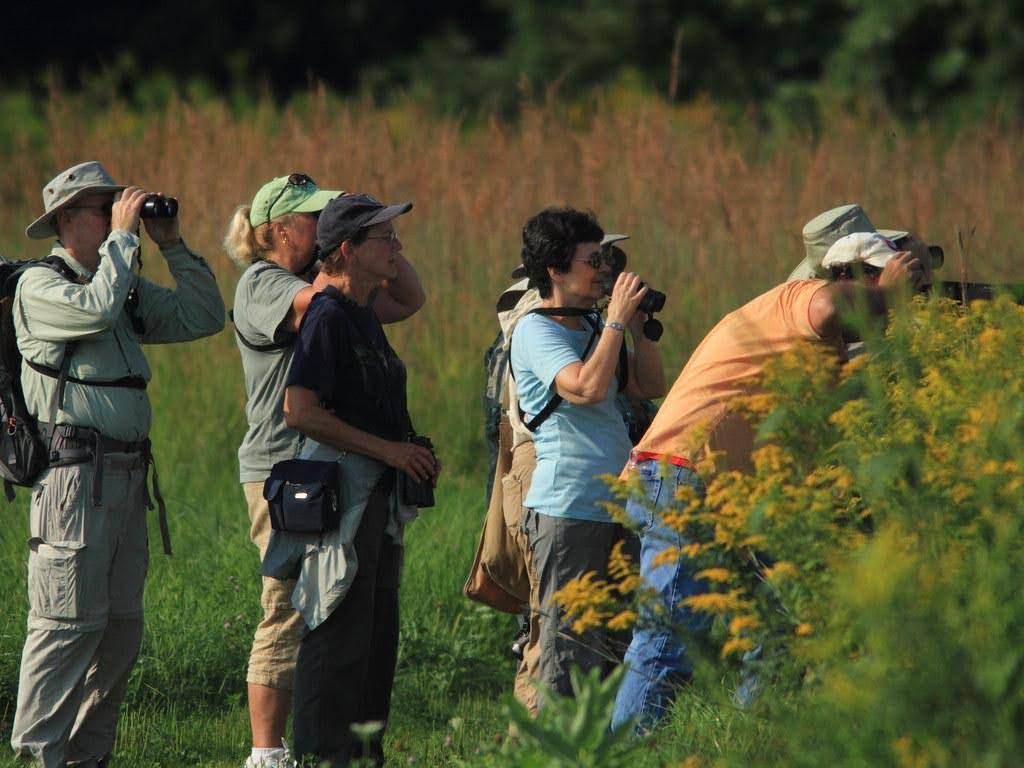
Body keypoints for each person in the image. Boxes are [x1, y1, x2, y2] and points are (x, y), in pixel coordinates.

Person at [611, 228, 934, 733]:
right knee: (669, 642)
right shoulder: (800, 298)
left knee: (785, 621)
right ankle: (623, 756)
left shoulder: (824, 355)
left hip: (736, 496)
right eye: (877, 281)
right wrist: (886, 296)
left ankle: (751, 741)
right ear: (847, 277)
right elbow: (831, 308)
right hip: (683, 475)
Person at [10, 161, 225, 767]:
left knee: (119, 631)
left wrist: (173, 244)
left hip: (128, 481)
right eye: (106, 209)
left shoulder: (119, 281)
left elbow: (203, 317)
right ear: (67, 220)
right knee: (65, 627)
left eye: (118, 207)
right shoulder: (42, 288)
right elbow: (96, 312)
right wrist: (125, 244)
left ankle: (88, 758)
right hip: (76, 481)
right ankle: (40, 757)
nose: (116, 217)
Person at [223, 176, 425, 768]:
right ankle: (269, 752)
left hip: (336, 469)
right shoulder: (263, 284)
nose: (321, 219)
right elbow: (325, 305)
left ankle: (324, 747)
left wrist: (379, 239)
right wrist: (351, 250)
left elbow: (407, 298)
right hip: (283, 467)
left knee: (338, 607)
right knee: (290, 607)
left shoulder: (342, 298)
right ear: (280, 230)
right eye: (315, 215)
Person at [511, 208, 665, 701]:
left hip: (617, 507)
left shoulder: (595, 325)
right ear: (555, 270)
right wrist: (616, 321)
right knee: (566, 651)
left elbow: (647, 386)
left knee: (615, 647)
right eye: (592, 260)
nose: (605, 270)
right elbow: (588, 388)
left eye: (605, 259)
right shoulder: (536, 331)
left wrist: (638, 326)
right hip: (568, 508)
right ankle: (548, 751)